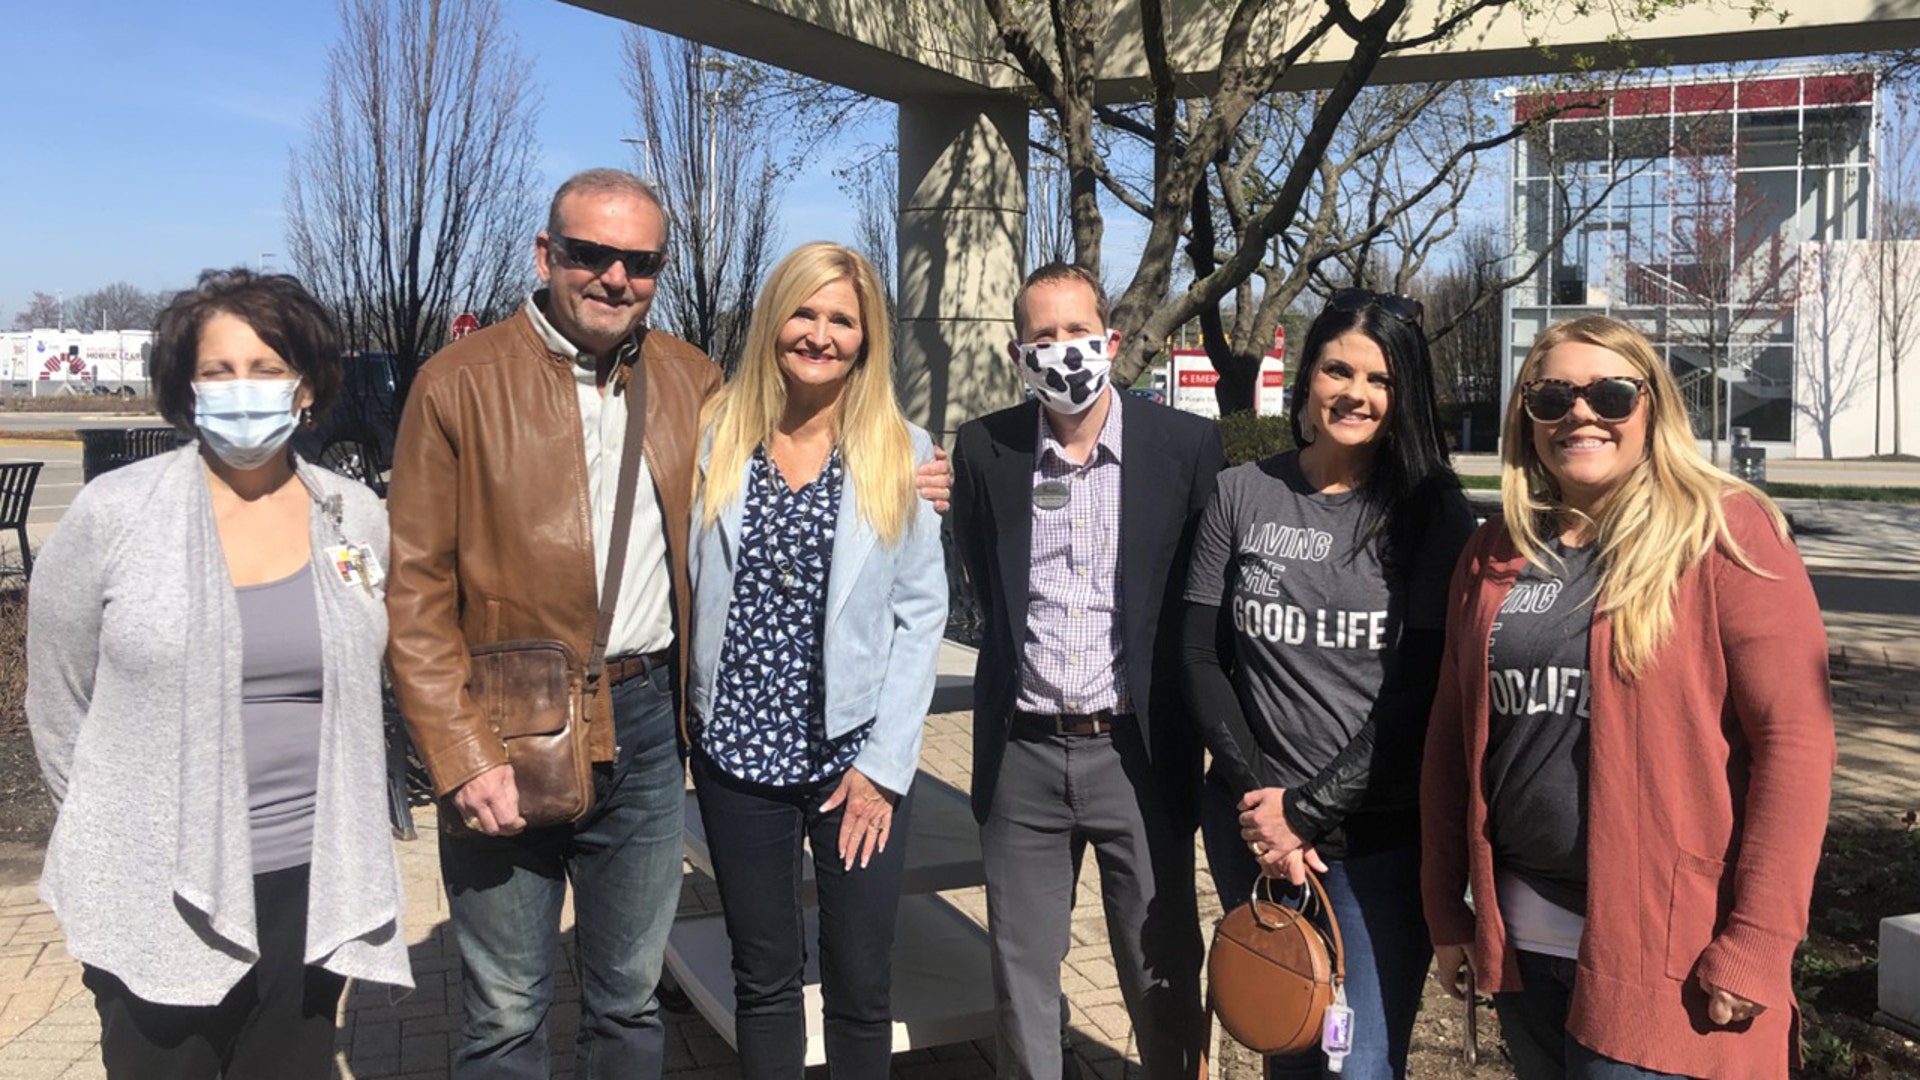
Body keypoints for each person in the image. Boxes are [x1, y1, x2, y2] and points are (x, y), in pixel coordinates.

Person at [386, 169, 951, 1079]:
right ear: (546, 254)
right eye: (590, 253)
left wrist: (928, 479)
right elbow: (411, 592)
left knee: (631, 997)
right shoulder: (477, 386)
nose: (615, 276)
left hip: (681, 730)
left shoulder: (713, 392)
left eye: (639, 261)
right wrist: (455, 750)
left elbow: (921, 608)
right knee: (511, 1011)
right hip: (562, 731)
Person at [1421, 315, 1833, 1080]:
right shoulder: (1494, 552)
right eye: (1552, 398)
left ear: (1652, 408)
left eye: (1611, 394)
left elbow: (1796, 747)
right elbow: (1453, 739)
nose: (1581, 413)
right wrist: (1449, 913)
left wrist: (1759, 942)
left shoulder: (1725, 535)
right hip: (1522, 941)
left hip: (1665, 954)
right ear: (1527, 419)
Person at [27, 268, 412, 1079]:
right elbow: (58, 697)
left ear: (306, 389)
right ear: (186, 388)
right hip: (155, 882)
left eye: (268, 370)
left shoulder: (353, 515)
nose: (245, 390)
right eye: (219, 370)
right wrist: (113, 825)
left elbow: (369, 674)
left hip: (311, 879)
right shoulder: (116, 514)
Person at [1179, 288, 1475, 1080]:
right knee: (1287, 1035)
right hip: (1252, 823)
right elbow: (1199, 657)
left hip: (1373, 840)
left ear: (1404, 394)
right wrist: (1262, 807)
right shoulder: (1243, 492)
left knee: (1360, 1064)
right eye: (1338, 369)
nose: (1356, 392)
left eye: (1380, 379)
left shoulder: (1433, 513)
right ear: (1307, 376)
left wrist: (1306, 811)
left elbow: (1419, 690)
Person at [950, 262, 1221, 1080]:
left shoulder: (1183, 446)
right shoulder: (986, 449)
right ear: (1016, 353)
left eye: (1078, 332)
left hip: (1136, 754)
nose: (1063, 351)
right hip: (1023, 755)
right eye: (1044, 337)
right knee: (1022, 980)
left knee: (1161, 973)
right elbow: (979, 578)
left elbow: (1206, 605)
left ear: (1112, 339)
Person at [686, 241, 947, 1080]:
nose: (820, 334)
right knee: (762, 981)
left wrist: (885, 767)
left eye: (842, 319)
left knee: (860, 987)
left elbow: (921, 615)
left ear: (867, 338)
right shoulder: (715, 434)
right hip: (738, 759)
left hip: (857, 768)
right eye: (805, 312)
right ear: (774, 320)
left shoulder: (901, 452)